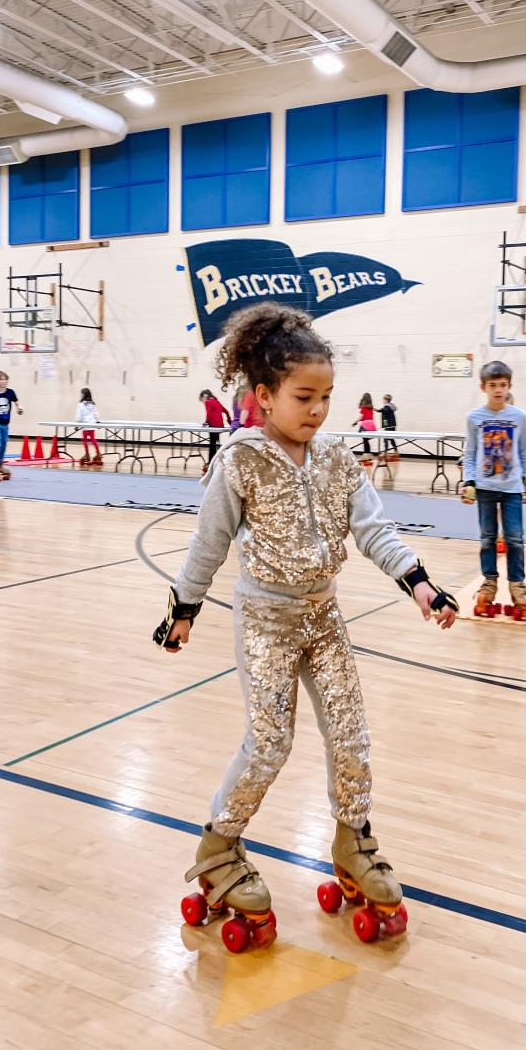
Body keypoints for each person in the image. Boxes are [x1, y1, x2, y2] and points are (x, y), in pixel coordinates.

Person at [153, 303, 458, 952]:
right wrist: (184, 609)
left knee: (353, 735)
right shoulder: (241, 460)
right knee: (269, 744)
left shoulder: (336, 460)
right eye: (303, 397)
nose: (318, 410)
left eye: (326, 397)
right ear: (263, 396)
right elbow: (207, 544)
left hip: (323, 617)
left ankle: (353, 840)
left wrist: (420, 583)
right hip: (265, 620)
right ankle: (219, 849)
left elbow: (374, 529)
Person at [461, 360, 526, 621]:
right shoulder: (474, 418)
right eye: (492, 385)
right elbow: (469, 454)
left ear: (509, 386)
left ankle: (518, 587)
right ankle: (489, 584)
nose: (498, 390)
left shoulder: (518, 417)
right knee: (487, 538)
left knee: (515, 538)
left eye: (502, 385)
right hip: (485, 488)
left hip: (512, 487)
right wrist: (468, 481)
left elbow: (524, 451)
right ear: (483, 387)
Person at [0, 371, 23, 481]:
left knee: (4, 443)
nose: (4, 381)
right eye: (1, 379)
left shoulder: (10, 393)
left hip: (5, 424)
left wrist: (19, 408)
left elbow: (17, 402)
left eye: (6, 379)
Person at [199, 388, 231, 472]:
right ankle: (216, 462)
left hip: (213, 425)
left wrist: (206, 423)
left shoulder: (208, 402)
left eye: (202, 399)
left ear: (205, 396)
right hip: (220, 425)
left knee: (212, 445)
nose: (202, 401)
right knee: (216, 444)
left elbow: (209, 414)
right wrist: (229, 420)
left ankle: (210, 463)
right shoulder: (216, 401)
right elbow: (226, 411)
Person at [76, 387, 103, 468]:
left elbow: (79, 416)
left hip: (85, 424)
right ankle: (98, 453)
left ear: (83, 395)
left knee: (85, 440)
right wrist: (98, 421)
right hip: (92, 423)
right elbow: (96, 414)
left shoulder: (80, 405)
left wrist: (77, 424)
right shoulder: (92, 403)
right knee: (93, 439)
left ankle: (87, 454)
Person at [353, 392, 377, 463]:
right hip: (371, 424)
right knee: (366, 440)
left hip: (365, 424)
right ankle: (368, 453)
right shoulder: (371, 408)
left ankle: (366, 454)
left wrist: (355, 422)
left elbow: (361, 417)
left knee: (364, 439)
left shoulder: (363, 408)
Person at [380, 394, 398, 460]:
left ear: (386, 400)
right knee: (391, 438)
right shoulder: (390, 406)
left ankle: (386, 453)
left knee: (386, 439)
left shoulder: (387, 407)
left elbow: (383, 411)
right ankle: (396, 451)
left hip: (389, 425)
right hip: (391, 425)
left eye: (384, 400)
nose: (383, 401)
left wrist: (376, 410)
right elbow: (385, 417)